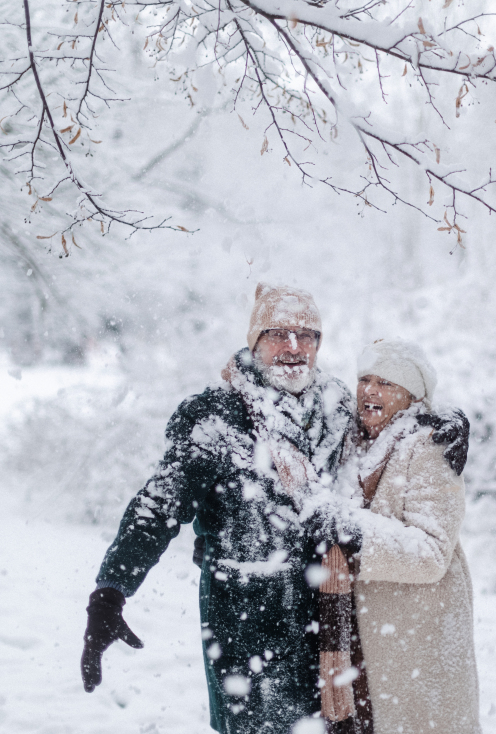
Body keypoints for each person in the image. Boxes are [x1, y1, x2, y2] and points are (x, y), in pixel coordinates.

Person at [80, 287, 470, 734]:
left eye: (307, 336)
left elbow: (384, 428)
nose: (293, 347)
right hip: (245, 624)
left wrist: (434, 423)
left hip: (327, 626)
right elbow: (158, 507)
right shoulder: (215, 416)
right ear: (254, 340)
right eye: (278, 334)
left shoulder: (337, 404)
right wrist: (110, 591)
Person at [339, 339, 480, 734]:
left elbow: (432, 551)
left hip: (419, 632)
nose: (369, 391)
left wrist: (350, 536)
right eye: (364, 379)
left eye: (385, 382)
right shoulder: (355, 440)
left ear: (412, 395)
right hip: (375, 636)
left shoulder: (432, 446)